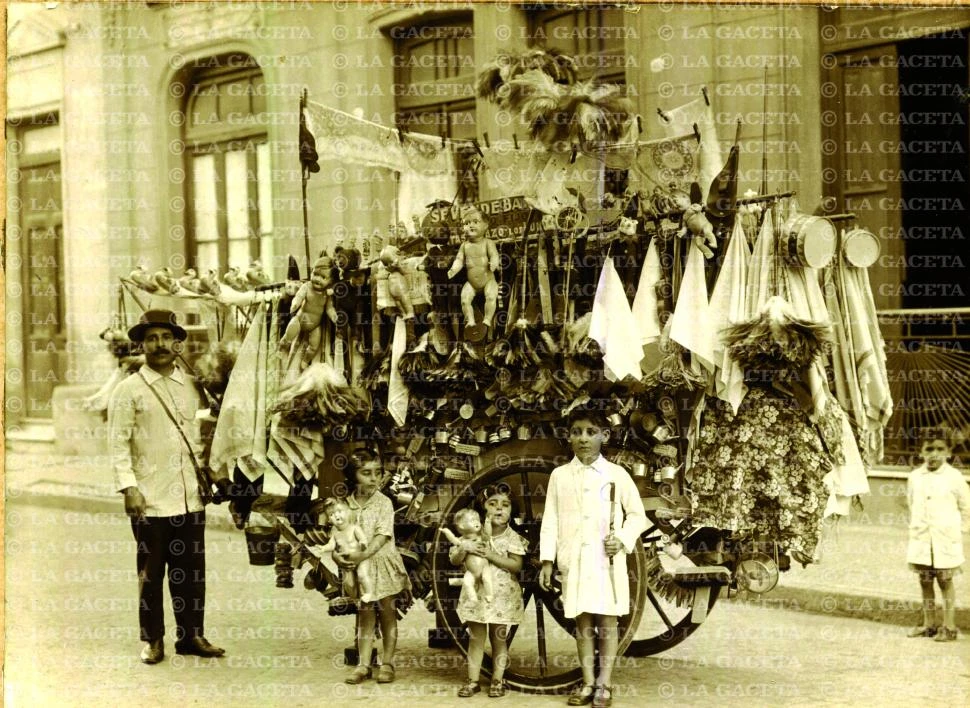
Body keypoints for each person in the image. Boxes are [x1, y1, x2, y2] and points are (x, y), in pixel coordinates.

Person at [108, 309, 231, 664]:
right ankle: (153, 639)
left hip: (190, 496)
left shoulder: (194, 385)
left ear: (178, 343)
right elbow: (118, 443)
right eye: (152, 339)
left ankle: (191, 635)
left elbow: (206, 433)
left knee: (191, 572)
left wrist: (217, 473)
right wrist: (129, 488)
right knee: (151, 574)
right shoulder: (128, 390)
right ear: (142, 345)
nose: (159, 344)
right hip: (150, 498)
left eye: (166, 337)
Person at [539, 405, 647, 708]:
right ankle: (587, 682)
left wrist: (622, 539)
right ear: (569, 437)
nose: (583, 438)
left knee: (607, 620)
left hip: (605, 561)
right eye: (576, 432)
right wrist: (547, 560)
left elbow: (637, 515)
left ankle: (604, 683)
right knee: (583, 621)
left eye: (591, 432)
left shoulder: (616, 474)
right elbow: (551, 519)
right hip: (573, 559)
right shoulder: (560, 476)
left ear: (605, 436)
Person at [336, 450, 411, 684]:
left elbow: (382, 536)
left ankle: (387, 662)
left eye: (377, 473)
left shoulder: (383, 503)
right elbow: (337, 536)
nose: (373, 478)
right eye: (366, 473)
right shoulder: (344, 506)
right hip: (360, 569)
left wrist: (363, 555)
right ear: (352, 476)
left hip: (382, 564)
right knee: (365, 614)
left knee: (388, 613)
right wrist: (339, 558)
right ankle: (364, 664)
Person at [450, 484, 526, 698]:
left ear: (512, 510)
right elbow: (455, 560)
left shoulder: (512, 537)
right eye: (492, 504)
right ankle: (473, 681)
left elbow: (516, 565)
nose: (499, 509)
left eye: (505, 505)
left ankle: (497, 680)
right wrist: (464, 548)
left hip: (501, 596)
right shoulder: (471, 536)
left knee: (498, 639)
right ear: (483, 509)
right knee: (475, 639)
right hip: (477, 595)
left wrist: (490, 555)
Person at [905, 429, 970, 642]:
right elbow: (911, 503)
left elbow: (966, 508)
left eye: (940, 449)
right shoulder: (915, 477)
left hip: (945, 539)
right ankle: (929, 624)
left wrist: (957, 532)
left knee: (945, 580)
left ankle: (949, 626)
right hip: (922, 538)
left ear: (949, 452)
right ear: (921, 452)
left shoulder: (954, 477)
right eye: (929, 449)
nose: (934, 454)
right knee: (925, 581)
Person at [448, 204, 500, 339]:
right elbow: (459, 260)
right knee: (464, 300)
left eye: (475, 222)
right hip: (471, 284)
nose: (470, 226)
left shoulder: (488, 243)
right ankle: (470, 319)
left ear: (485, 225)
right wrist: (454, 269)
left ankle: (487, 318)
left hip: (488, 280)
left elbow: (494, 255)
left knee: (491, 296)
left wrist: (494, 263)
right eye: (467, 223)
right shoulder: (464, 246)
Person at [280, 255, 339, 364]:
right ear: (311, 272)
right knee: (289, 334)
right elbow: (299, 296)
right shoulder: (307, 286)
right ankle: (282, 348)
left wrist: (334, 316)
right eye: (315, 274)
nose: (317, 279)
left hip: (314, 326)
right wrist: (295, 304)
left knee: (314, 347)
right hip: (300, 320)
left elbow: (329, 308)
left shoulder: (327, 294)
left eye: (323, 277)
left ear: (330, 281)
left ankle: (305, 361)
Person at [318, 497, 375, 602]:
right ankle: (354, 598)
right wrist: (324, 548)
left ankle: (369, 592)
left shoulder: (354, 528)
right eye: (331, 514)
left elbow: (362, 539)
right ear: (329, 520)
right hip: (346, 561)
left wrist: (363, 543)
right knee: (349, 584)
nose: (336, 516)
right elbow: (331, 545)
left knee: (362, 574)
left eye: (339, 512)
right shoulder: (335, 533)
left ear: (348, 513)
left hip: (360, 558)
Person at [441, 508, 496, 604]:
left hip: (484, 567)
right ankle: (473, 599)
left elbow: (488, 534)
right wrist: (447, 533)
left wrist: (488, 521)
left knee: (487, 578)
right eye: (472, 520)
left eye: (478, 520)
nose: (477, 522)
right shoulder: (461, 541)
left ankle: (490, 595)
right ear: (462, 525)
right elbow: (453, 541)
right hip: (471, 571)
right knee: (467, 582)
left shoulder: (481, 538)